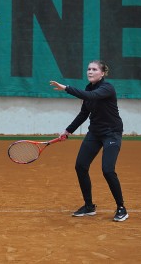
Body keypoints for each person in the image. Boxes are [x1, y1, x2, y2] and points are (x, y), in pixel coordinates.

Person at [49, 60, 128, 222]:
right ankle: (89, 206)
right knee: (81, 166)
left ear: (102, 73)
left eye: (94, 69)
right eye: (88, 69)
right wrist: (68, 130)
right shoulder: (88, 88)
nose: (90, 72)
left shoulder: (107, 88)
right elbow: (84, 113)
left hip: (112, 133)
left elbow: (91, 96)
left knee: (107, 170)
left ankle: (121, 208)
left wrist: (66, 88)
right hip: (95, 133)